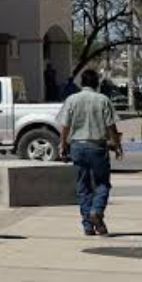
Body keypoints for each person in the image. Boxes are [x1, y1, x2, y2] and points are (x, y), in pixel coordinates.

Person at [57, 69, 123, 236]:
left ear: (82, 83)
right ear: (97, 83)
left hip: (77, 146)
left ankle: (88, 224)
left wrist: (63, 144)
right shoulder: (103, 100)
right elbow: (111, 126)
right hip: (97, 146)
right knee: (102, 183)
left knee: (83, 186)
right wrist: (117, 144)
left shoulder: (71, 99)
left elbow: (65, 126)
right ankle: (97, 211)